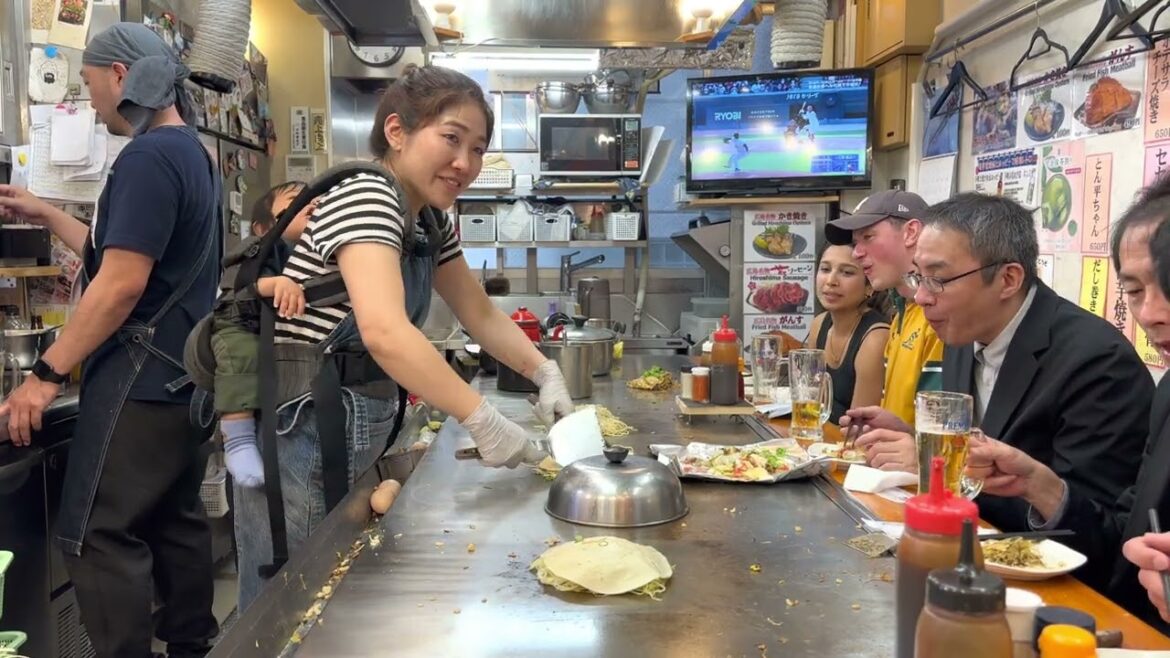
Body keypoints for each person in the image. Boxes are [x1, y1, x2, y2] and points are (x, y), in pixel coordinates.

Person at [231, 65, 574, 611]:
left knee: (337, 602)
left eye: (479, 148)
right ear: (397, 132)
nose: (465, 163)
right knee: (290, 605)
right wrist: (480, 417)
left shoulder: (428, 221)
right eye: (451, 139)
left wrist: (543, 370)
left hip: (356, 418)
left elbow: (479, 311)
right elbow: (385, 332)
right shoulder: (367, 194)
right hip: (306, 429)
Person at [0, 23, 219, 658]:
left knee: (96, 535)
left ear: (120, 76)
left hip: (137, 382)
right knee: (174, 523)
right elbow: (111, 258)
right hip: (182, 384)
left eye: (90, 84)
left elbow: (121, 285)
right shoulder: (193, 156)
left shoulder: (149, 157)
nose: (92, 102)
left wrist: (44, 375)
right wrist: (45, 212)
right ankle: (190, 650)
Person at [853, 193, 1150, 533]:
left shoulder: (1096, 362)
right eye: (918, 277)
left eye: (938, 278)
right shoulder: (963, 334)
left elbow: (1096, 527)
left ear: (1008, 279)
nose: (921, 296)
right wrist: (919, 442)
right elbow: (971, 450)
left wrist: (936, 465)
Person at [967, 179, 1170, 630]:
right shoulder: (1169, 394)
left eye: (938, 277)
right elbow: (1122, 535)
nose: (1151, 312)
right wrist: (1043, 486)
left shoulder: (1097, 358)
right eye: (1134, 291)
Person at [212, 182, 316, 487]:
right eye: (298, 202)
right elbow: (244, 287)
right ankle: (237, 440)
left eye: (316, 202)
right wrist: (278, 283)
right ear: (263, 227)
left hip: (279, 337)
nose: (311, 206)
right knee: (240, 359)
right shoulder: (261, 247)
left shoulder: (311, 253)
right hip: (238, 324)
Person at [825, 190, 943, 427]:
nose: (857, 253)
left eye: (868, 237)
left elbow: (940, 434)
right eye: (856, 242)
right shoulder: (901, 311)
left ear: (911, 232)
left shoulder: (940, 317)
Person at [807, 244, 889, 421]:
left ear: (870, 286)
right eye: (825, 269)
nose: (831, 281)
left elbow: (858, 427)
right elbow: (810, 402)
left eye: (847, 272)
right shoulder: (819, 324)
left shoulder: (875, 338)